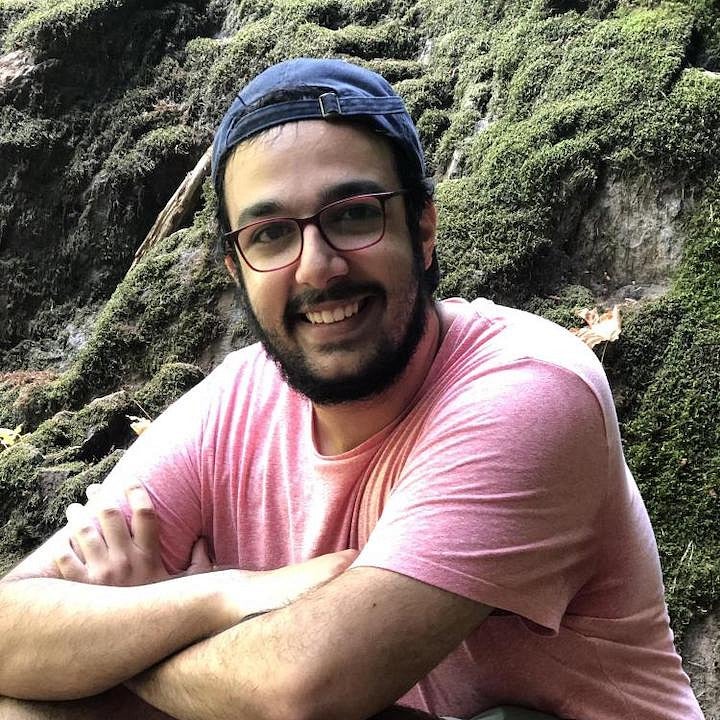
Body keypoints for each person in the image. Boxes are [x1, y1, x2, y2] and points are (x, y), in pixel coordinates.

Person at [0, 58, 704, 720]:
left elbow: (307, 686)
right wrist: (218, 599)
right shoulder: (230, 410)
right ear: (235, 269)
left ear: (422, 230)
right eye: (272, 234)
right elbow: (11, 626)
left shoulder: (529, 388)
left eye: (355, 214)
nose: (318, 266)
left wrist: (123, 636)